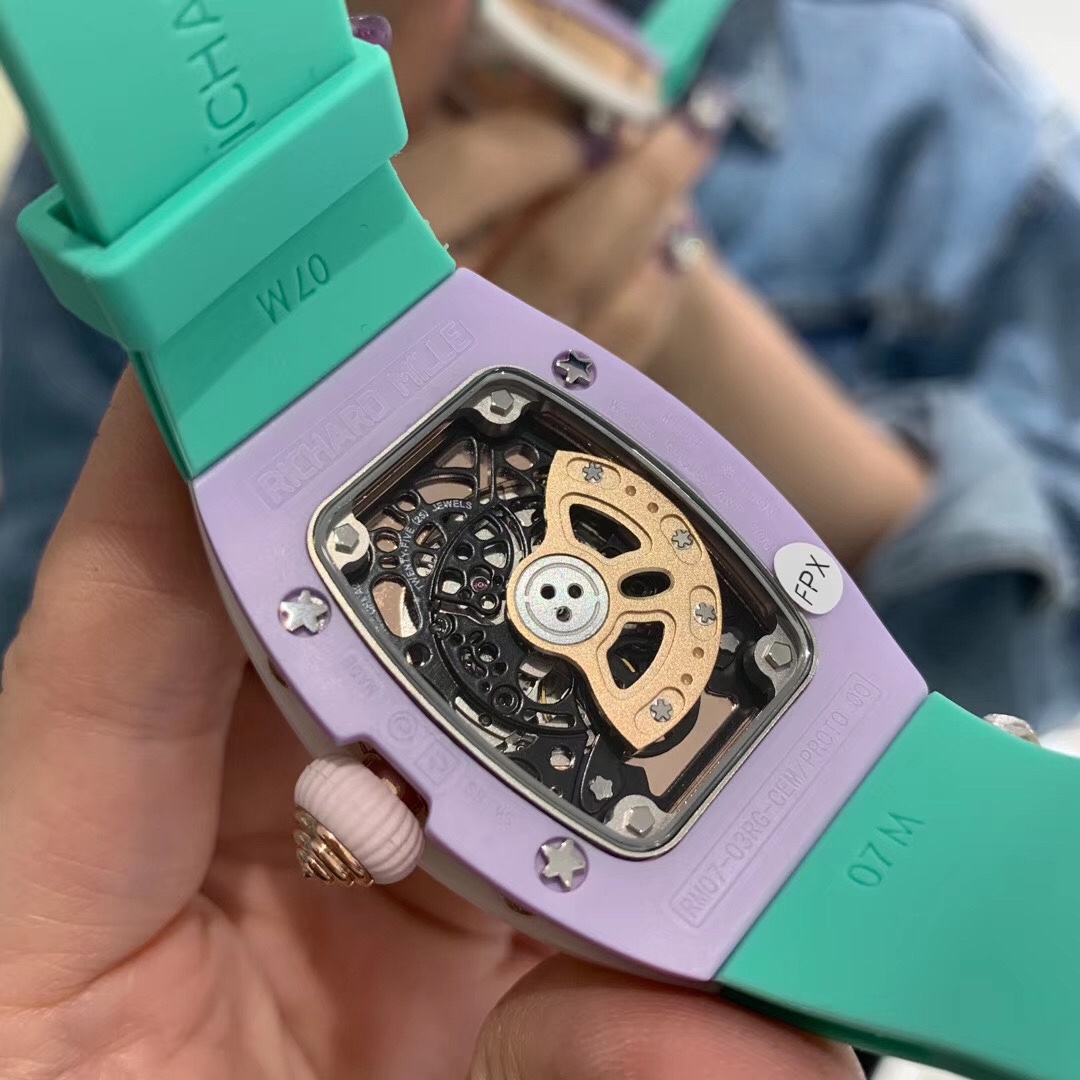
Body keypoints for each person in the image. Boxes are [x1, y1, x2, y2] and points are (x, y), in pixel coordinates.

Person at [3, 0, 1080, 735]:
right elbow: (51, 635)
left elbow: (1027, 664)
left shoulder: (932, 115)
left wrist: (686, 327)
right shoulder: (149, 115)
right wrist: (317, 368)